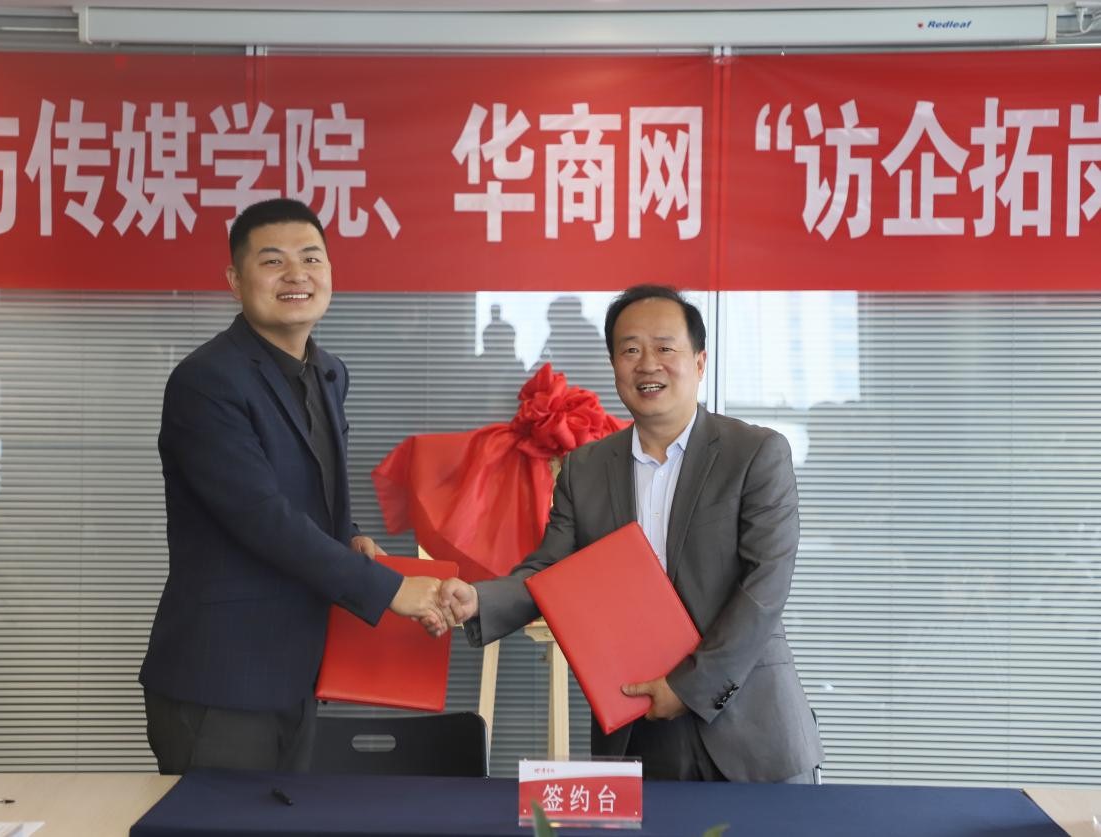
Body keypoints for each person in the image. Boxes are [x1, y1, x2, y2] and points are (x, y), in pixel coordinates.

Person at [441, 284, 823, 783]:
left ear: (700, 362)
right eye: (630, 350)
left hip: (749, 729)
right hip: (637, 723)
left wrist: (690, 687)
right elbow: (550, 569)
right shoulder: (585, 468)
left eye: (665, 347)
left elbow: (764, 587)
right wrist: (478, 600)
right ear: (614, 365)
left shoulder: (755, 454)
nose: (648, 364)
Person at [140, 198, 448, 775]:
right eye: (272, 261)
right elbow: (260, 516)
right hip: (222, 678)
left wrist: (350, 536)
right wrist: (389, 591)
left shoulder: (328, 373)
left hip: (301, 673)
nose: (296, 275)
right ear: (235, 280)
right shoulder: (206, 382)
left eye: (311, 258)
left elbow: (314, 490)